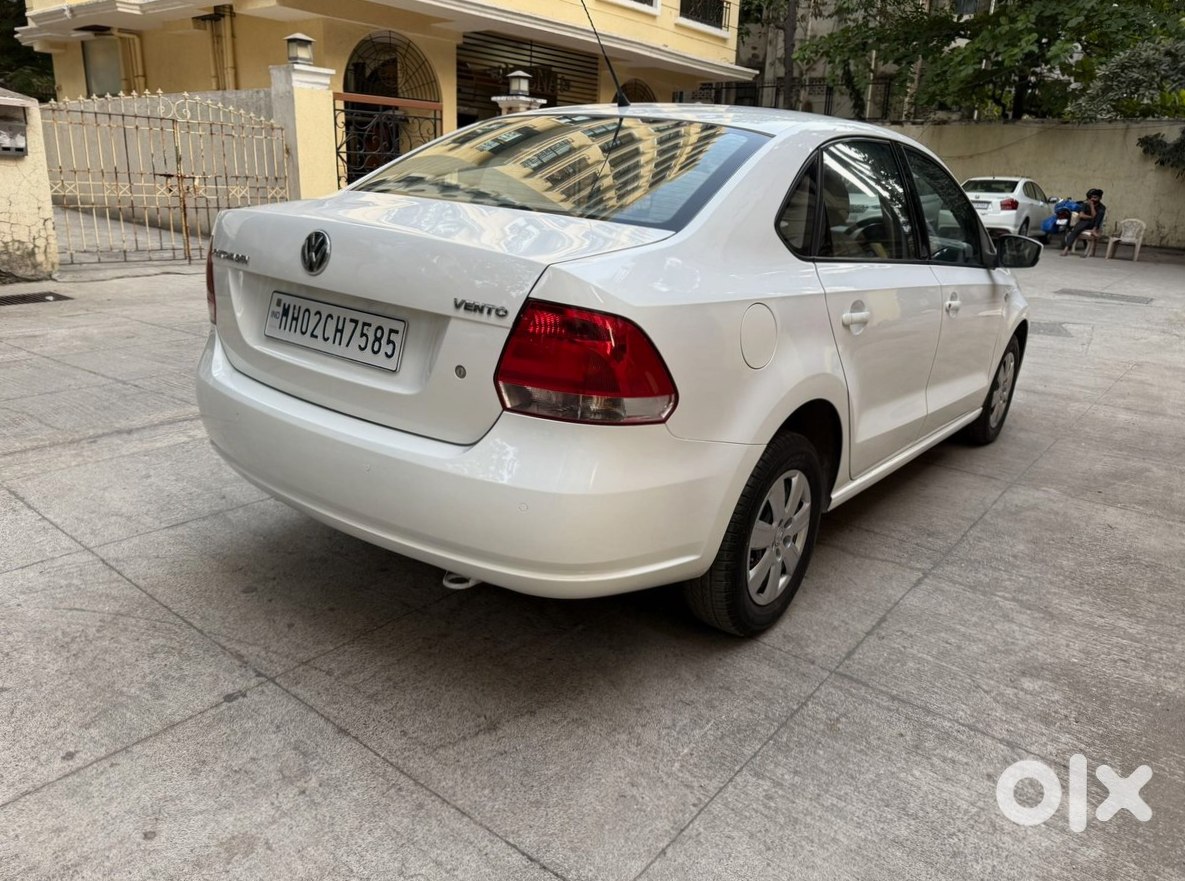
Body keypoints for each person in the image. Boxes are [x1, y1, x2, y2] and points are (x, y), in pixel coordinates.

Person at [1061, 188, 1107, 256]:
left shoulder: (1102, 207)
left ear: (1100, 198)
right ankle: (1066, 249)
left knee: (1100, 212)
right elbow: (1081, 215)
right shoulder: (1085, 204)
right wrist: (1091, 217)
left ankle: (1094, 230)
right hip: (1084, 222)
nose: (1093, 199)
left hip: (1094, 224)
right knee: (1075, 230)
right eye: (1092, 197)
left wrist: (1091, 206)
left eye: (1095, 197)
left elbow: (1095, 216)